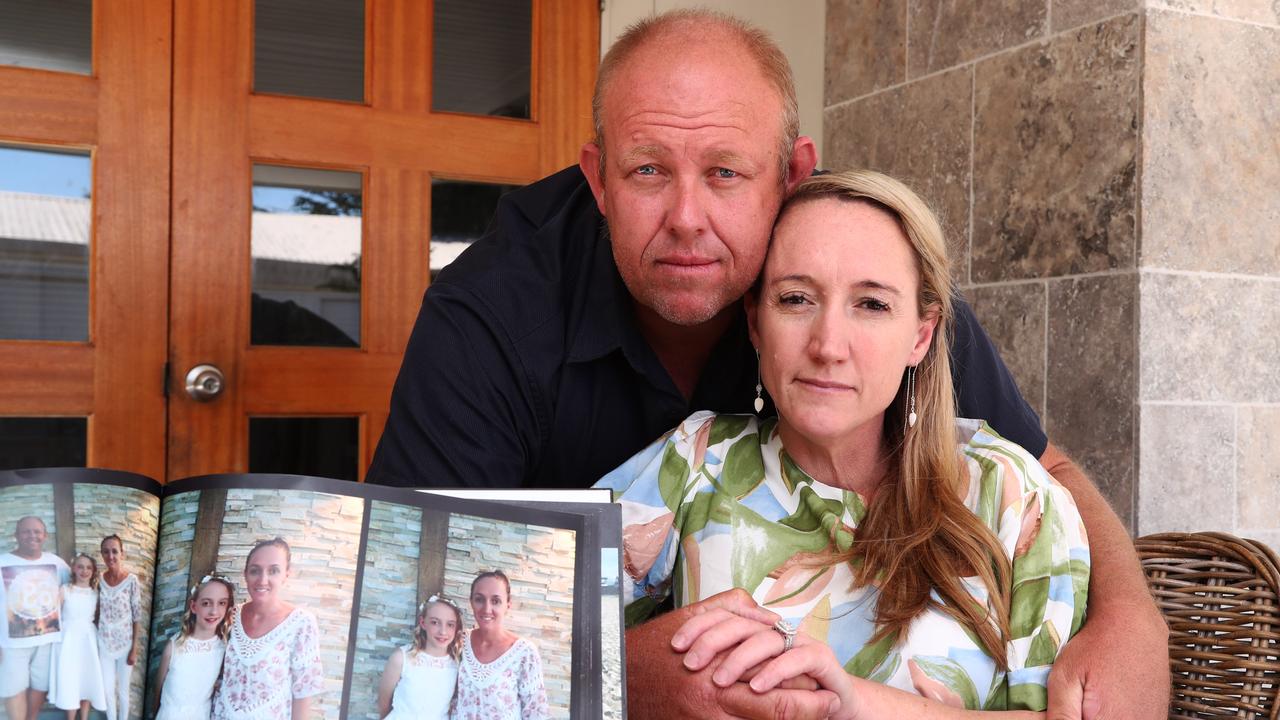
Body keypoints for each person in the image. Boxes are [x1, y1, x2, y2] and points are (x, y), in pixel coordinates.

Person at [369, 9, 1167, 719]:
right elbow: (414, 613)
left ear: (791, 174)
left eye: (725, 172)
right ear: (599, 180)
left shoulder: (863, 262)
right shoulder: (492, 318)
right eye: (648, 170)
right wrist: (615, 679)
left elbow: (1038, 468)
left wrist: (1132, 614)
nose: (687, 219)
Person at [601, 170, 1090, 715]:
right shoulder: (696, 462)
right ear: (756, 323)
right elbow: (520, 629)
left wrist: (852, 704)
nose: (829, 345)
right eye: (795, 299)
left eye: (872, 305)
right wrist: (635, 671)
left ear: (921, 336)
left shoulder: (1010, 492)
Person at [212, 537, 323, 720]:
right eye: (255, 571)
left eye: (273, 571)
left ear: (286, 575)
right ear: (245, 574)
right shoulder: (230, 615)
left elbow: (303, 693)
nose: (263, 580)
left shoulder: (301, 623)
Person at [0, 516, 72, 720]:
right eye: (26, 531)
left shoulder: (56, 563)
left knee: (41, 685)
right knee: (13, 688)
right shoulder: (2, 562)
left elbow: (75, 587)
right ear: (16, 535)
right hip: (11, 643)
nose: (32, 535)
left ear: (45, 535)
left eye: (37, 531)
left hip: (48, 640)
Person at [452, 570, 548, 720]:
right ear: (471, 602)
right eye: (479, 599)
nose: (486, 609)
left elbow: (536, 713)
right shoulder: (458, 641)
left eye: (495, 601)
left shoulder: (524, 653)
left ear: (508, 605)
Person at [153, 574, 235, 720]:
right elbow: (158, 692)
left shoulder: (223, 649)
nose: (214, 611)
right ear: (194, 606)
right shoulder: (174, 647)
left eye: (221, 603)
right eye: (206, 603)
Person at [376, 595, 462, 720]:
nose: (443, 631)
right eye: (435, 622)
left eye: (450, 625)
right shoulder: (402, 658)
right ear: (423, 623)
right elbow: (383, 704)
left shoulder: (456, 665)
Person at [51, 553, 107, 720]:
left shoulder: (95, 593)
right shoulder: (65, 590)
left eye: (89, 567)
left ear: (93, 571)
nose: (84, 571)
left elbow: (99, 618)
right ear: (73, 569)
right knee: (70, 678)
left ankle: (83, 717)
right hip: (68, 638)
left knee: (86, 677)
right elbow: (52, 614)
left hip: (88, 639)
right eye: (80, 567)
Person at [97, 534, 142, 720]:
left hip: (125, 645)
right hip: (104, 644)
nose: (111, 556)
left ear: (122, 553)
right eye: (106, 552)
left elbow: (137, 615)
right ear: (102, 555)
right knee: (107, 691)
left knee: (123, 691)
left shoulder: (132, 581)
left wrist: (134, 648)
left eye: (114, 551)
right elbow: (96, 611)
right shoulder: (98, 580)